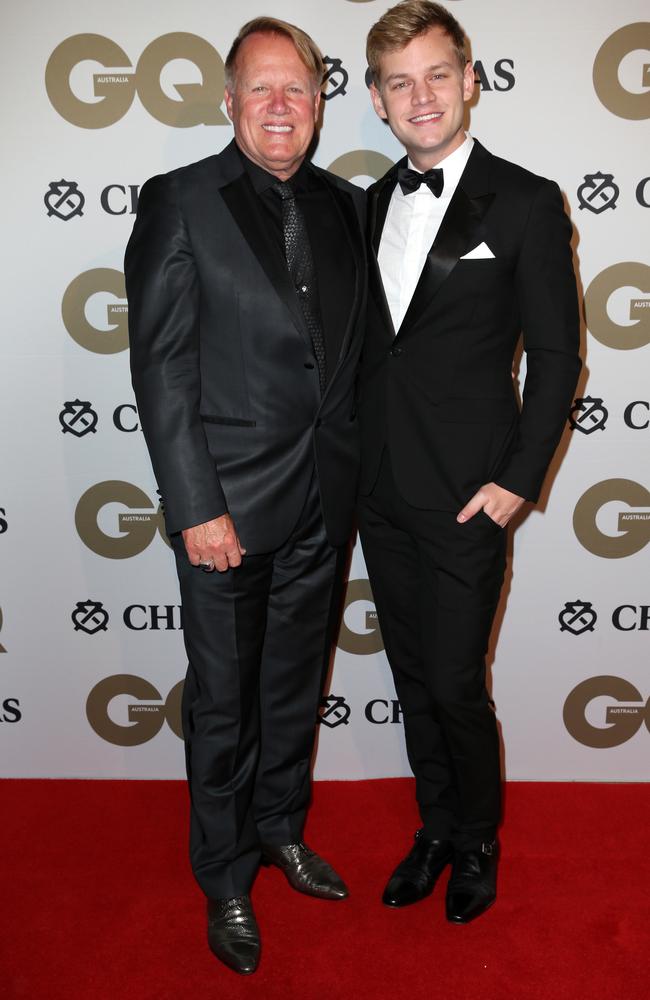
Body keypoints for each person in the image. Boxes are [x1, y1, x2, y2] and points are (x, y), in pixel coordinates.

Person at [125, 17, 366, 975]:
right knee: (224, 701)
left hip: (323, 501)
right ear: (228, 102)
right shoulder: (180, 202)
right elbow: (162, 368)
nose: (279, 106)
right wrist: (194, 506)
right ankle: (224, 876)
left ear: (318, 102)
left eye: (297, 90)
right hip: (223, 508)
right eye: (259, 89)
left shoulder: (348, 205)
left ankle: (281, 830)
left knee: (293, 687)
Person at [358, 0, 580, 924]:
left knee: (454, 680)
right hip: (379, 491)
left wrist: (517, 484)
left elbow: (560, 357)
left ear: (471, 81)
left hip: (468, 498)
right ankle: (436, 827)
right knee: (412, 677)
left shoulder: (526, 200)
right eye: (399, 81)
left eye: (437, 75)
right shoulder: (363, 205)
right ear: (374, 99)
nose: (421, 96)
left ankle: (479, 837)